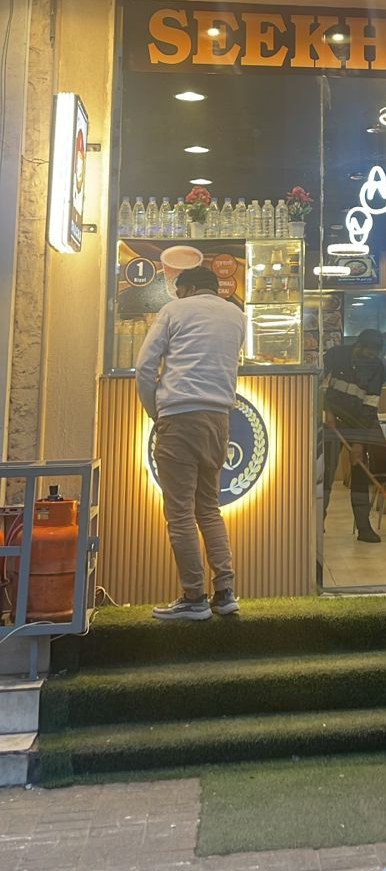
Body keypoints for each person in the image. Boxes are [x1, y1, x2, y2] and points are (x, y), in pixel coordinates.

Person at [135, 264, 245, 621]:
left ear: (190, 288)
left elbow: (145, 367)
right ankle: (225, 593)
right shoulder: (237, 316)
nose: (178, 296)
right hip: (218, 420)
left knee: (180, 512)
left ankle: (194, 597)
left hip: (179, 417)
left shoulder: (174, 311)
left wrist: (156, 412)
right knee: (209, 508)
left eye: (179, 290)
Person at [322, 329, 386, 542]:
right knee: (325, 473)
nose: (372, 356)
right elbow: (321, 386)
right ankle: (316, 522)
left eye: (375, 353)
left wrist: (359, 443)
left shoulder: (377, 369)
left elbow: (370, 407)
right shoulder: (335, 356)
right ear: (359, 346)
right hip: (332, 422)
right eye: (369, 352)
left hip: (358, 423)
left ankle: (364, 527)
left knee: (360, 474)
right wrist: (328, 412)